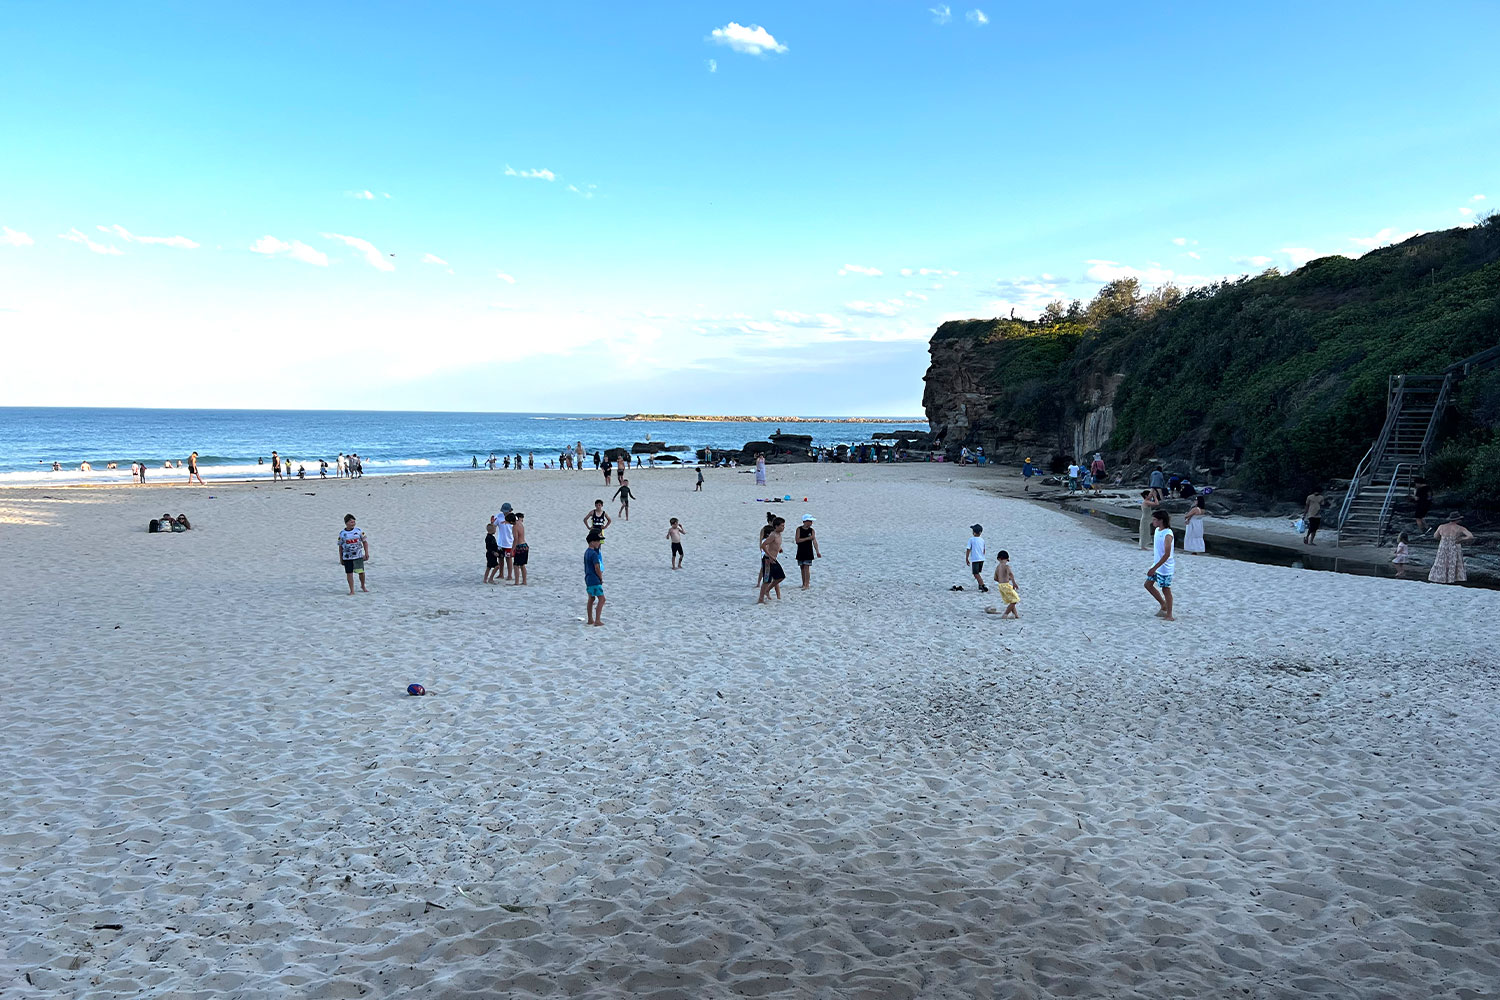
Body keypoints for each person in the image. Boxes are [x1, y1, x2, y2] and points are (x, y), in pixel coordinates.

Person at [1144, 509, 1175, 620]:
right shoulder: (1157, 530)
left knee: (1166, 589)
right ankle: (1163, 604)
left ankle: (1169, 614)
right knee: (1148, 585)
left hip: (1165, 567)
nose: (1153, 522)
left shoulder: (1168, 534)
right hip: (1157, 564)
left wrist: (1154, 568)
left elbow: (1166, 554)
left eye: (1155, 520)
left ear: (1161, 520)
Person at [1428, 513, 1474, 584]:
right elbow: (1470, 536)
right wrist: (1462, 539)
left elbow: (1435, 536)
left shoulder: (1441, 526)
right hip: (1454, 546)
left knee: (1441, 562)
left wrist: (1443, 539)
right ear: (1457, 520)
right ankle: (1451, 579)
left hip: (1443, 547)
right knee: (1452, 562)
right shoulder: (1460, 528)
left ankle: (1441, 578)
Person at [337, 514, 369, 594]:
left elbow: (365, 542)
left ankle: (363, 586)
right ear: (346, 523)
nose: (353, 523)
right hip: (347, 557)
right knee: (349, 573)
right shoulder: (342, 533)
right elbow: (340, 546)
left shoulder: (359, 531)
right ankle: (352, 590)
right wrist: (341, 558)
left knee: (361, 572)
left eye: (354, 522)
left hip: (358, 556)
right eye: (351, 522)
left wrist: (366, 553)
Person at [757, 517, 786, 604]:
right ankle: (760, 599)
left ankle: (767, 590)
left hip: (774, 559)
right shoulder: (773, 535)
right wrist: (770, 556)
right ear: (776, 526)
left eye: (784, 526)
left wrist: (779, 549)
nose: (783, 527)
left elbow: (774, 544)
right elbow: (763, 545)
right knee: (766, 580)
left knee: (780, 576)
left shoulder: (779, 535)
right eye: (782, 526)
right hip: (767, 560)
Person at [584, 529, 606, 625]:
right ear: (592, 542)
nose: (599, 543)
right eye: (597, 541)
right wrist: (600, 578)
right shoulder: (594, 554)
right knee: (602, 599)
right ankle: (597, 620)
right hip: (594, 579)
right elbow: (597, 567)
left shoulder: (587, 552)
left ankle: (590, 619)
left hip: (588, 578)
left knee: (591, 598)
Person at [794, 515, 820, 589]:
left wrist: (817, 551)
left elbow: (814, 541)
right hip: (801, 550)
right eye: (809, 521)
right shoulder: (799, 529)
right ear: (805, 522)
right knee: (802, 567)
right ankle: (803, 583)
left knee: (806, 567)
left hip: (809, 551)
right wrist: (808, 538)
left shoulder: (812, 530)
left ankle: (807, 584)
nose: (811, 523)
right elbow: (797, 540)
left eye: (811, 521)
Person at [992, 550, 1020, 617]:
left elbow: (995, 578)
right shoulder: (1007, 567)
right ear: (1007, 559)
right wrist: (1014, 583)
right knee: (1014, 600)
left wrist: (1002, 580)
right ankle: (1006, 613)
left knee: (1011, 600)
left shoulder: (998, 567)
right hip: (1006, 585)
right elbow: (1011, 575)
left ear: (998, 559)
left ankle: (1015, 614)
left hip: (1000, 586)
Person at [493, 503, 515, 580]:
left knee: (508, 559)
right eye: (504, 511)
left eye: (506, 511)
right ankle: (501, 574)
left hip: (509, 543)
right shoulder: (499, 516)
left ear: (510, 510)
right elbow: (493, 526)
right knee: (500, 558)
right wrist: (492, 521)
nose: (505, 512)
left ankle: (509, 575)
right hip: (501, 542)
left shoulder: (513, 517)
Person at [965, 524, 988, 592]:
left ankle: (982, 585)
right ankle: (980, 585)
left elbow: (968, 549)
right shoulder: (982, 540)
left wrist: (967, 558)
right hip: (982, 559)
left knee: (975, 573)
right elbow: (984, 550)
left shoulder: (971, 539)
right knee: (978, 572)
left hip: (975, 559)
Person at [510, 512, 529, 585]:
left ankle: (516, 582)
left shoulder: (515, 526)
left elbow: (516, 539)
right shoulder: (520, 524)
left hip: (520, 547)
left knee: (516, 565)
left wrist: (512, 550)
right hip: (525, 546)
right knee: (522, 565)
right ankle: (524, 581)